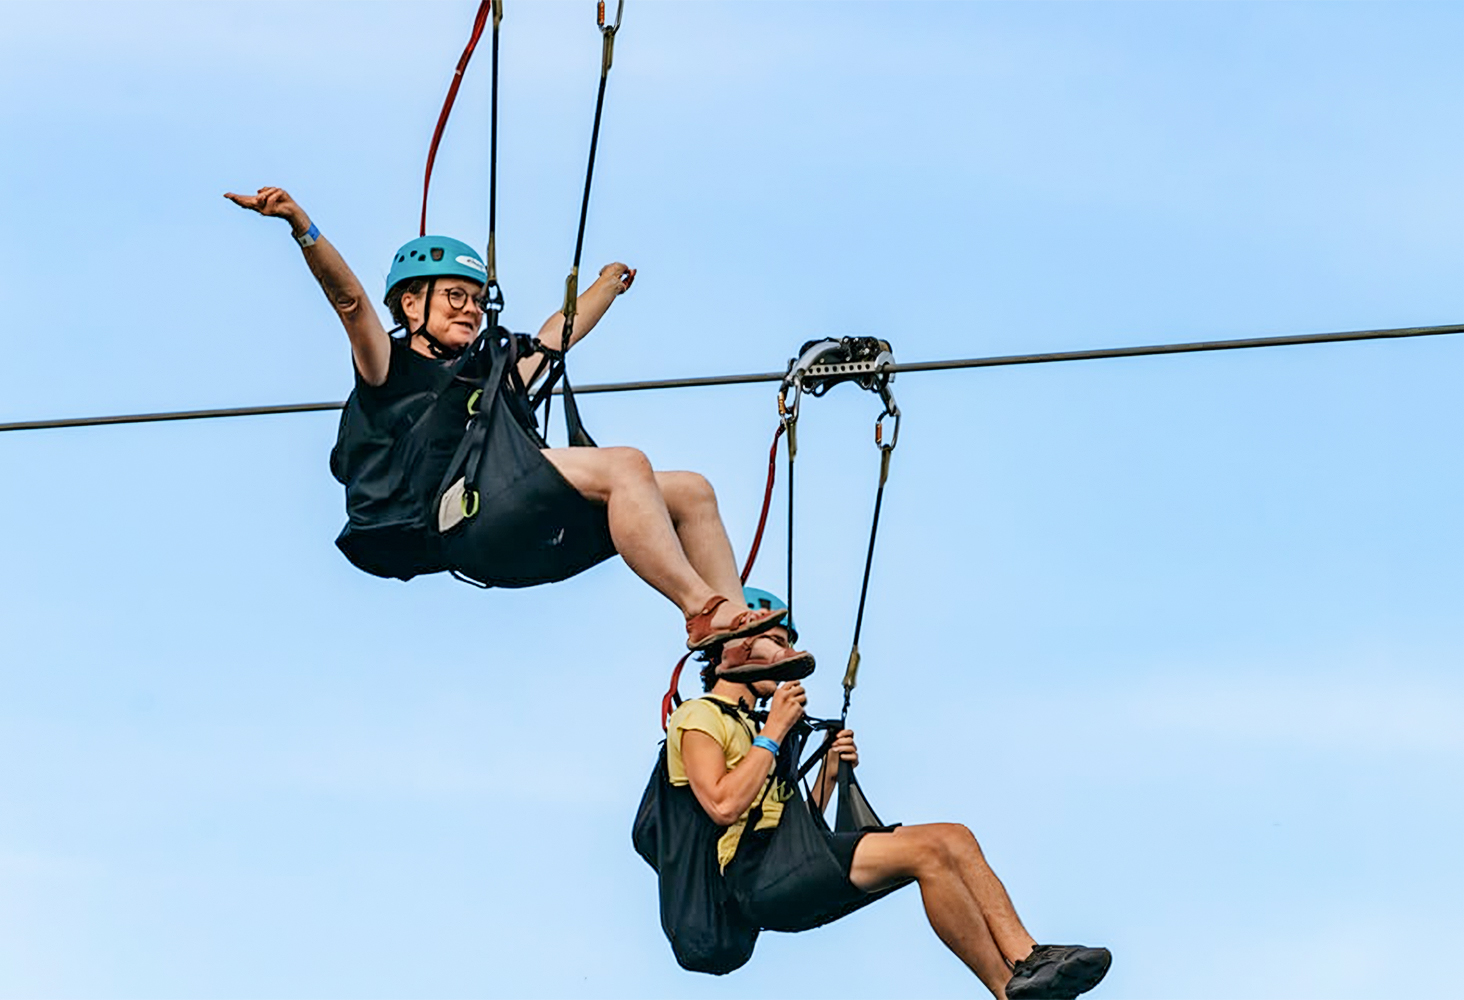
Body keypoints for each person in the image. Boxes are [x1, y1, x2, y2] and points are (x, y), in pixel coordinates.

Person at [224, 187, 809, 665]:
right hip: (466, 520)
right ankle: (698, 607)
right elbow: (351, 303)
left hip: (518, 531)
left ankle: (740, 644)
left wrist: (606, 285)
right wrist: (304, 228)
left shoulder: (489, 373)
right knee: (625, 463)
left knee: (691, 490)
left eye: (476, 301)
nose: (469, 310)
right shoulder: (389, 370)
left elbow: (556, 339)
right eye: (453, 296)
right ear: (410, 306)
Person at [668, 589, 1112, 999]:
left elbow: (786, 819)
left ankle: (1023, 967)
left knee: (950, 840)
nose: (786, 656)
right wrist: (775, 733)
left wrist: (828, 773)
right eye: (775, 643)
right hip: (752, 878)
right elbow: (724, 805)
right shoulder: (700, 716)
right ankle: (1017, 973)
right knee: (929, 848)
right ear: (735, 647)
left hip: (781, 862)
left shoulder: (756, 725)